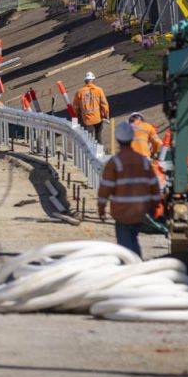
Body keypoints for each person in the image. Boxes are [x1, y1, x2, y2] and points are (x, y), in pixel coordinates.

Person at [98, 122, 162, 258]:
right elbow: (154, 185)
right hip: (140, 210)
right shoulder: (144, 162)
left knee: (125, 242)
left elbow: (105, 189)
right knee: (133, 238)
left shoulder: (115, 162)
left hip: (121, 212)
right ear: (132, 138)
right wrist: (155, 206)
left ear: (118, 140)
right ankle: (137, 263)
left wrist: (101, 209)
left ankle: (130, 268)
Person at [74, 72, 109, 144]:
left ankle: (89, 153)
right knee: (98, 136)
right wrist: (106, 115)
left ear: (85, 81)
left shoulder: (79, 92)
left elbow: (75, 107)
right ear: (93, 80)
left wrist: (76, 117)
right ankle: (99, 154)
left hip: (87, 120)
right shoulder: (99, 90)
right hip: (98, 118)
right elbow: (104, 104)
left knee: (88, 139)